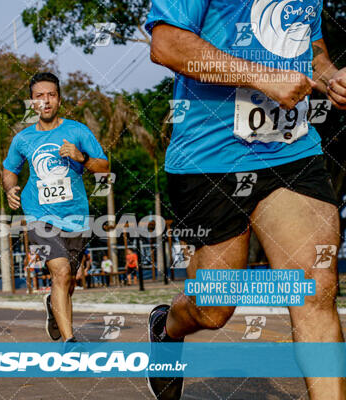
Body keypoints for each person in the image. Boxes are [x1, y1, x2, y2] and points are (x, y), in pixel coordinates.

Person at [145, 1, 346, 399]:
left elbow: (309, 45)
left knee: (314, 287)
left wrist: (331, 77)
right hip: (210, 158)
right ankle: (165, 328)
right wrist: (263, 78)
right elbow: (165, 44)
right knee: (214, 309)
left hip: (292, 151)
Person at [3, 72, 109, 343]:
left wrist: (80, 157)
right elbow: (9, 169)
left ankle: (53, 305)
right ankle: (70, 341)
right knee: (60, 272)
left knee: (68, 282)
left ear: (59, 99)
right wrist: (10, 188)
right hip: (40, 216)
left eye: (51, 95)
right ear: (32, 102)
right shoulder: (23, 139)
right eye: (40, 96)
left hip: (76, 217)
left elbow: (104, 168)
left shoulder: (77, 131)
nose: (46, 101)